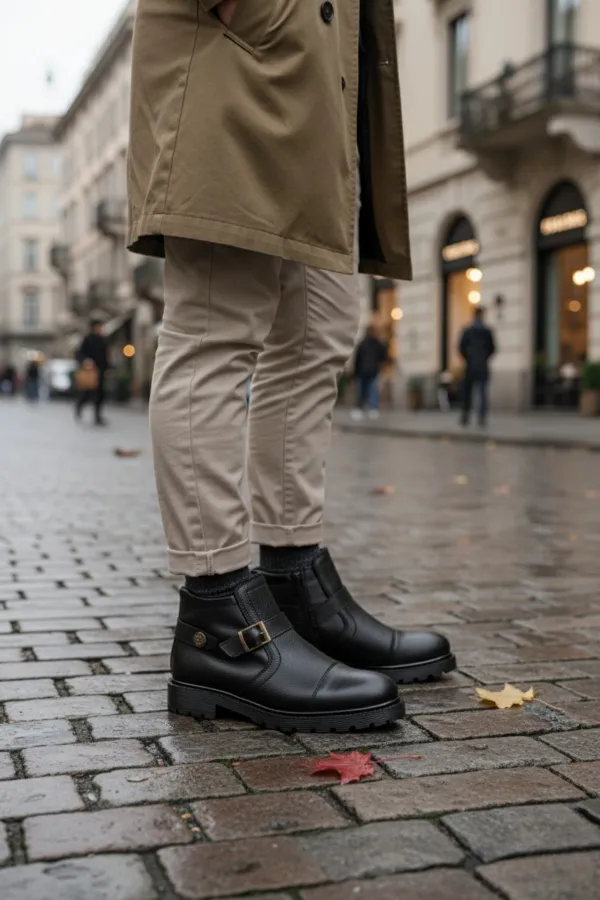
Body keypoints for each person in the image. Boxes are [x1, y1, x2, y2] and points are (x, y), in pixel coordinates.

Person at [127, 0, 455, 734]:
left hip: (314, 81)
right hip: (236, 55)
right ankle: (217, 617)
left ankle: (293, 577)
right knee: (217, 325)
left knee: (317, 336)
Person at [459, 307, 496, 427]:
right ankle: (480, 417)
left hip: (472, 365)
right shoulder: (485, 332)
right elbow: (492, 348)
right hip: (480, 366)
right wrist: (484, 357)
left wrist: (468, 357)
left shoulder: (469, 331)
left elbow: (461, 348)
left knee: (470, 393)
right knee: (481, 392)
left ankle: (466, 415)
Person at [75, 320, 109, 426]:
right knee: (87, 393)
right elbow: (80, 353)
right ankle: (79, 407)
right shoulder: (88, 339)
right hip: (90, 371)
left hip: (100, 371)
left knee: (100, 395)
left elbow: (104, 355)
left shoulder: (103, 339)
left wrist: (107, 366)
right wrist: (86, 361)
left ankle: (97, 416)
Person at [352, 326, 387, 419]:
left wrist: (355, 371)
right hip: (372, 370)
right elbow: (383, 355)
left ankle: (359, 409)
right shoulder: (377, 343)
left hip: (363, 370)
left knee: (363, 391)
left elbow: (357, 359)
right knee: (372, 390)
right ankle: (372, 409)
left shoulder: (362, 343)